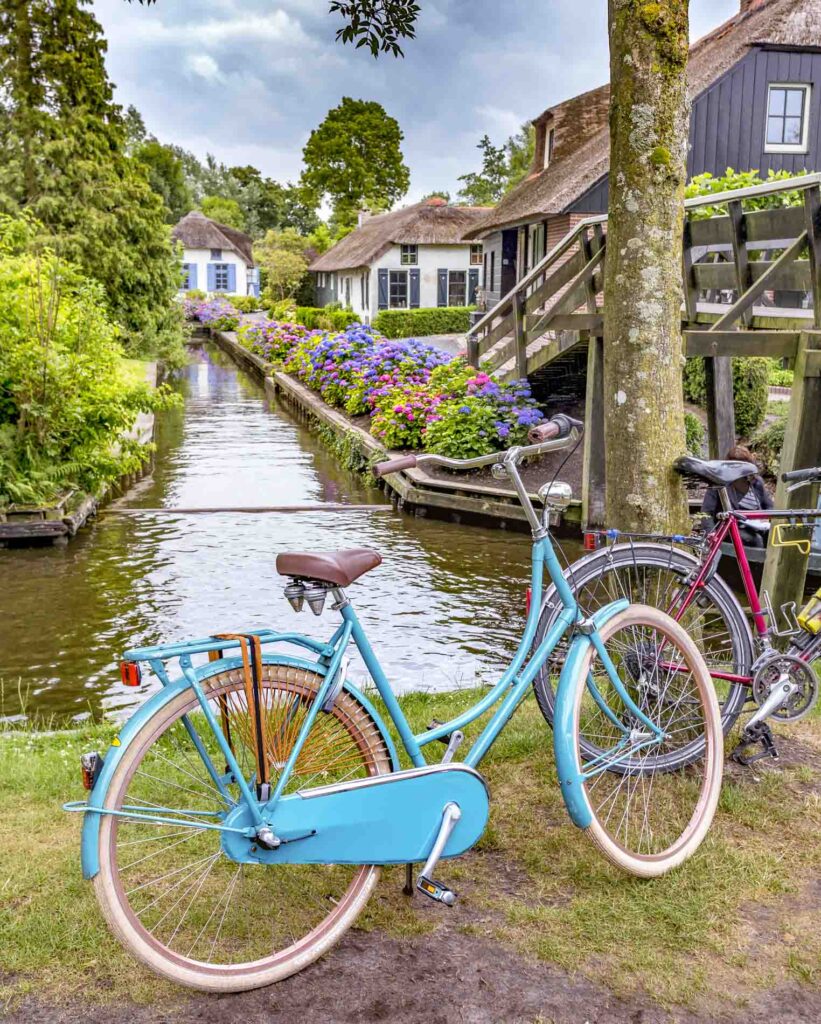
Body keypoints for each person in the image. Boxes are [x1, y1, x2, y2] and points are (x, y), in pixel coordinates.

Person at [701, 444, 773, 547]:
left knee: (774, 535)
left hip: (756, 526)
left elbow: (769, 506)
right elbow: (706, 512)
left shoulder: (756, 482)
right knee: (755, 540)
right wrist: (712, 534)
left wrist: (765, 517)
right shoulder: (719, 483)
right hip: (730, 529)